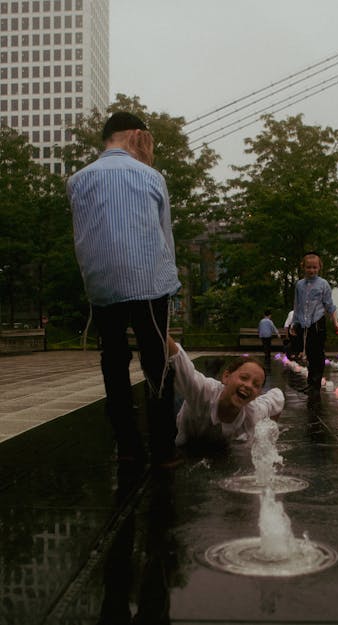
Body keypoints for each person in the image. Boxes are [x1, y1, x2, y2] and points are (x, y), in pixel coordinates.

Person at [67, 111, 181, 467]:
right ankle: (162, 449)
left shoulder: (77, 180)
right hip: (147, 280)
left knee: (113, 362)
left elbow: (83, 236)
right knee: (156, 361)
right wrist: (170, 284)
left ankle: (128, 447)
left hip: (101, 285)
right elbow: (165, 236)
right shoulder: (150, 176)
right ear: (135, 135)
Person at [166, 335, 284, 449]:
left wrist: (268, 436)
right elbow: (176, 357)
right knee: (180, 394)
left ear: (258, 394)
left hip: (214, 437)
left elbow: (278, 396)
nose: (248, 385)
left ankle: (212, 369)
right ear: (226, 376)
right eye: (244, 378)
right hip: (188, 410)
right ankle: (211, 369)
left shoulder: (254, 412)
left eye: (256, 385)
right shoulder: (201, 391)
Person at [290, 251, 338, 393]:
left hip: (318, 323)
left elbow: (329, 305)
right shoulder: (299, 285)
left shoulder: (323, 284)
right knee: (307, 353)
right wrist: (294, 323)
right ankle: (310, 382)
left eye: (314, 267)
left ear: (319, 267)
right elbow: (297, 305)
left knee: (317, 354)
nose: (311, 270)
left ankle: (315, 384)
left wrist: (336, 322)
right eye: (308, 267)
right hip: (302, 323)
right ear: (303, 267)